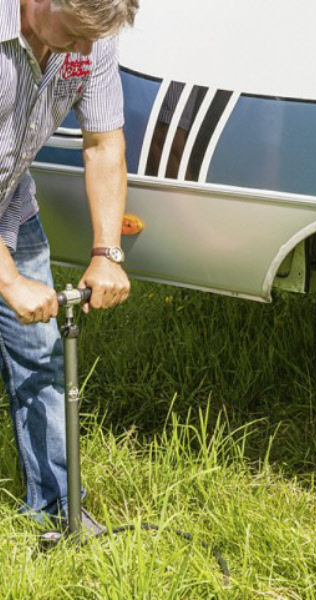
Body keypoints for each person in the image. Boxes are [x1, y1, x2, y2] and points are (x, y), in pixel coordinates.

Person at [0, 0, 138, 529]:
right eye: (77, 32)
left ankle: (59, 512)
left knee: (41, 356)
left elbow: (103, 144)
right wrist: (9, 280)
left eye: (93, 39)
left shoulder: (91, 40)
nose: (83, 50)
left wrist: (106, 252)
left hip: (11, 208)